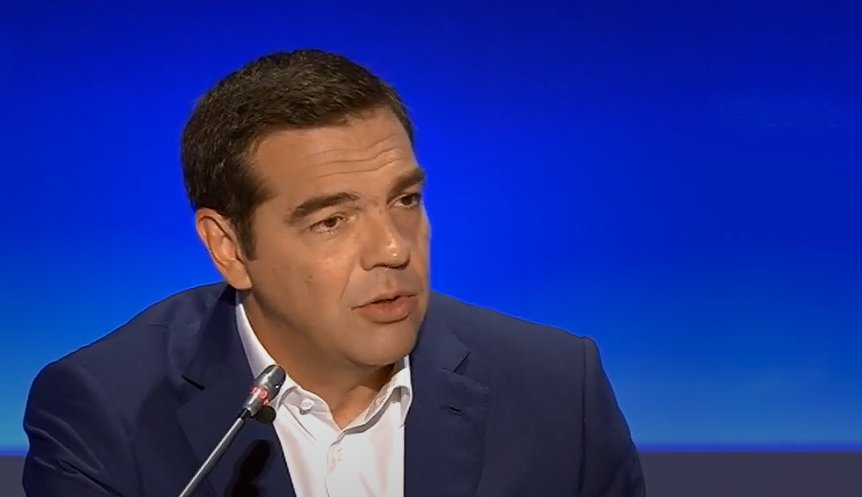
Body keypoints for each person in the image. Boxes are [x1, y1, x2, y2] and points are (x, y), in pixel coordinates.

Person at [22, 49, 645, 497]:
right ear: (229, 247)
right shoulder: (106, 412)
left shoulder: (558, 391)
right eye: (331, 221)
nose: (393, 249)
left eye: (405, 200)